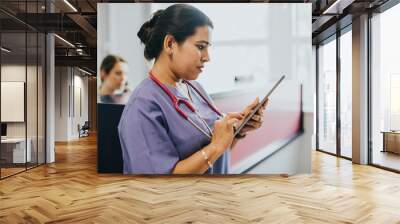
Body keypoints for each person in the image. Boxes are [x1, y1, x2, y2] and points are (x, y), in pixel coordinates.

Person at [118, 4, 268, 174]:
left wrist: (237, 130)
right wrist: (215, 147)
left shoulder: (196, 89)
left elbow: (217, 154)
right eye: (200, 47)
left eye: (208, 47)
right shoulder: (142, 107)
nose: (207, 57)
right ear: (170, 44)